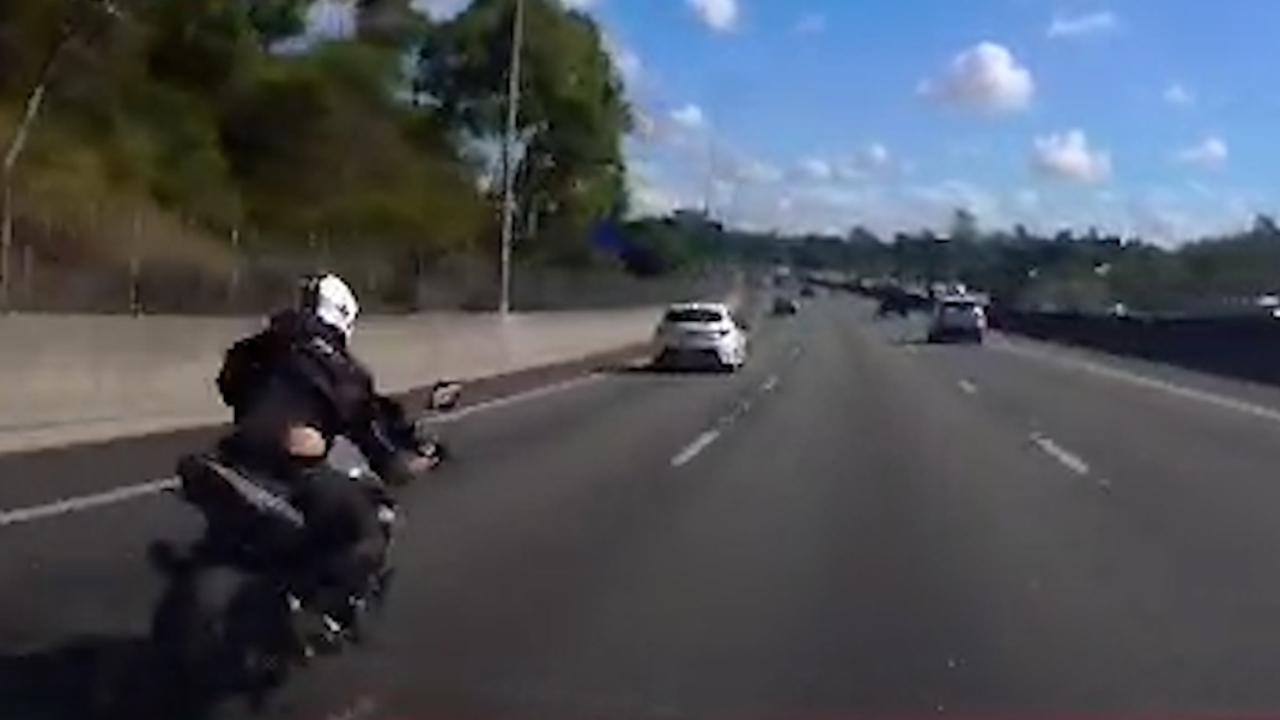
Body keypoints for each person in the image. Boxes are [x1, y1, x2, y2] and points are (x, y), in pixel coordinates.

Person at [211, 273, 430, 622]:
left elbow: (227, 383)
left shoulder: (261, 344)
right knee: (368, 532)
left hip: (236, 452)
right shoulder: (339, 366)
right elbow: (367, 429)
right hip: (291, 469)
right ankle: (320, 611)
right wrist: (396, 464)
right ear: (344, 315)